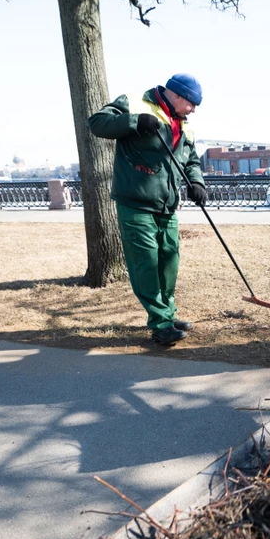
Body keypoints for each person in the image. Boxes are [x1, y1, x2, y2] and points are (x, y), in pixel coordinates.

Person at [88, 74, 208, 345]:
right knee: (146, 263)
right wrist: (134, 122)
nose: (193, 110)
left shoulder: (183, 124)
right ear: (176, 95)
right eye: (191, 103)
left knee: (169, 260)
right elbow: (97, 123)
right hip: (135, 202)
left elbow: (190, 160)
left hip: (166, 204)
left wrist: (196, 183)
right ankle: (160, 323)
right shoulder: (134, 103)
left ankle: (167, 312)